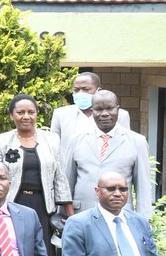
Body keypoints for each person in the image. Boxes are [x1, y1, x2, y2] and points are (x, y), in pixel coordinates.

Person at [0, 94, 72, 256]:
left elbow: (60, 177)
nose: (26, 116)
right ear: (11, 115)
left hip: (43, 208)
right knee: (16, 253)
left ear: (37, 114)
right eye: (20, 112)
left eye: (31, 112)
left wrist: (70, 214)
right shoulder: (1, 141)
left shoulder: (51, 140)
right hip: (12, 206)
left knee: (42, 255)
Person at [64, 90, 152, 219]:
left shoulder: (137, 141)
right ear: (92, 110)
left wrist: (144, 221)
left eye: (110, 109)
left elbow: (143, 186)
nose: (104, 114)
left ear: (118, 110)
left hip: (120, 215)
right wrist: (66, 215)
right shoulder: (76, 140)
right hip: (81, 215)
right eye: (99, 109)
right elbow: (67, 181)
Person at [50, 72, 132, 161]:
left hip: (108, 169)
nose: (80, 93)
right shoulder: (61, 114)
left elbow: (125, 145)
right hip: (71, 170)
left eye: (86, 89)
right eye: (76, 90)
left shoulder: (119, 115)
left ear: (98, 91)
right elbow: (53, 146)